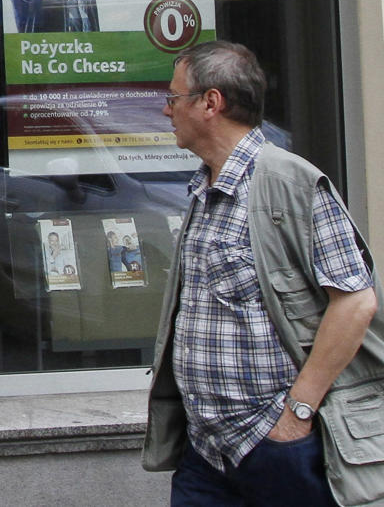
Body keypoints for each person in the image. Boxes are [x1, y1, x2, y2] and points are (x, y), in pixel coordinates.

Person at [142, 41, 383, 506]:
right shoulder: (204, 186)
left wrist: (296, 414)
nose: (166, 109)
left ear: (210, 103)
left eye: (174, 98)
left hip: (277, 443)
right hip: (206, 449)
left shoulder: (288, 182)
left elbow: (356, 301)